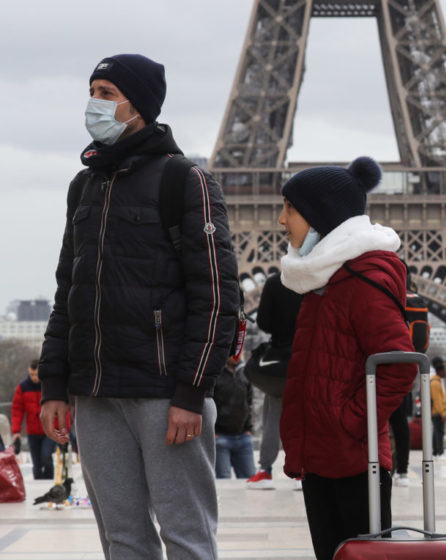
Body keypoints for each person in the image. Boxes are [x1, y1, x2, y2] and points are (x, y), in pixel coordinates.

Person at [38, 54, 239, 559]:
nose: (94, 103)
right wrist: (56, 385)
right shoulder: (84, 185)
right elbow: (69, 292)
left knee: (186, 535)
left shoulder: (184, 179)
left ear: (139, 105)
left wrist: (193, 390)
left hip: (164, 392)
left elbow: (216, 294)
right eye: (92, 91)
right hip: (96, 393)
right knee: (122, 540)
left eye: (106, 93)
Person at [276, 156, 417, 560]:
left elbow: (400, 362)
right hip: (321, 455)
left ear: (321, 215)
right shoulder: (324, 279)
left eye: (290, 208)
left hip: (355, 460)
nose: (282, 221)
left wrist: (349, 421)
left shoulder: (359, 279)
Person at [247, 272, 302, 489]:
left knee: (272, 414)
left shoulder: (274, 282)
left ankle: (265, 470)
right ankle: (301, 470)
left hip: (278, 360)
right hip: (307, 357)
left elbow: (264, 322)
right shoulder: (314, 279)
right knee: (304, 416)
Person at [11, 360, 56, 479]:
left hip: (48, 431)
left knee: (46, 457)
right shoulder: (23, 387)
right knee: (36, 464)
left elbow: (58, 408)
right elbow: (17, 410)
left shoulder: (48, 385)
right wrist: (16, 432)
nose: (34, 377)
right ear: (28, 372)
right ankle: (39, 488)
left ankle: (50, 483)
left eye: (36, 374)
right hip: (32, 432)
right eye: (32, 374)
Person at [213, 357, 256, 479]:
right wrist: (214, 432)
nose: (236, 355)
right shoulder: (215, 373)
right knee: (223, 482)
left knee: (251, 482)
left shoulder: (245, 371)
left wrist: (249, 429)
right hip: (220, 439)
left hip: (244, 438)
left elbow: (249, 402)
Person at [430, 356, 446, 457]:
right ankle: (440, 452)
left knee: (436, 432)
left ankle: (436, 452)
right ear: (439, 371)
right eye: (444, 370)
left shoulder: (437, 381)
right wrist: (442, 413)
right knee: (439, 433)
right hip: (437, 412)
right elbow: (437, 401)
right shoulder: (435, 383)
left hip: (437, 412)